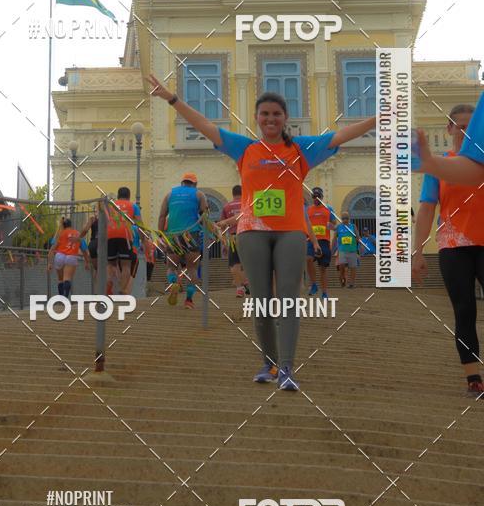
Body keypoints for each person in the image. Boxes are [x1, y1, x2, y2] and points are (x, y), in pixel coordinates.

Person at [149, 73, 375, 389]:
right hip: (252, 232)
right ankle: (268, 364)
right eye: (265, 114)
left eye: (276, 114)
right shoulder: (245, 148)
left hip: (290, 233)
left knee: (288, 299)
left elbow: (340, 136)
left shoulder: (301, 149)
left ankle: (286, 368)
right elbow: (205, 126)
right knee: (263, 300)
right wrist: (172, 99)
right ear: (257, 118)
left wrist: (378, 118)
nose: (270, 119)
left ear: (285, 119)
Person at [412, 104, 484, 397]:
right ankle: (473, 377)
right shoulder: (439, 166)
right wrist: (418, 253)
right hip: (453, 246)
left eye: (471, 125)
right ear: (450, 129)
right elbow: (427, 208)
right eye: (460, 126)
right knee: (464, 310)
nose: (465, 131)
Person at [158, 172, 207, 309]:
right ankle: (189, 300)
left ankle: (174, 282)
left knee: (171, 267)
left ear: (182, 183)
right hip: (192, 234)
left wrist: (161, 235)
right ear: (195, 184)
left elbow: (162, 216)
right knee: (192, 269)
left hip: (173, 235)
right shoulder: (199, 194)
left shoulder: (169, 195)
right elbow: (205, 216)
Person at [412, 92, 484, 186]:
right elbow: (476, 171)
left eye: (471, 128)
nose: (467, 133)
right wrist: (430, 163)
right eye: (461, 127)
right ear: (449, 129)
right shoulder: (436, 167)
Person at [106, 187, 141, 296]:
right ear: (129, 196)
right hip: (125, 235)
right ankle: (122, 290)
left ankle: (108, 286)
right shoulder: (133, 206)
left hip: (110, 234)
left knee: (111, 264)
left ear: (118, 195)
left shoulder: (111, 205)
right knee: (126, 265)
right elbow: (139, 224)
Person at [217, 184, 249, 297]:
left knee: (234, 263)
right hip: (247, 235)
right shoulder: (247, 204)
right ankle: (247, 283)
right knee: (247, 263)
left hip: (233, 237)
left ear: (233, 194)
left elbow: (222, 226)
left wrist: (224, 243)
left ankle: (240, 288)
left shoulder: (226, 207)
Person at [306, 187, 336, 299]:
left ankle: (324, 293)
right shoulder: (308, 210)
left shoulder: (329, 209)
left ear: (322, 197)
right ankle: (314, 284)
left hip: (324, 241)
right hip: (311, 240)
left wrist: (331, 226)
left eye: (318, 196)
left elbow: (333, 223)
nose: (316, 198)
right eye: (314, 196)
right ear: (312, 197)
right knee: (308, 259)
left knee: (323, 268)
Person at [47, 217, 83, 299]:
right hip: (71, 255)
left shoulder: (60, 233)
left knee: (60, 279)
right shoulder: (78, 234)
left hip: (59, 255)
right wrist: (87, 260)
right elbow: (84, 248)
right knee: (67, 278)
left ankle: (61, 298)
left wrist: (49, 263)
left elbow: (52, 249)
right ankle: (66, 297)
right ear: (71, 224)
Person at [332, 211, 360, 288]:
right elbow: (334, 239)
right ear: (341, 219)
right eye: (343, 218)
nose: (345, 220)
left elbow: (358, 237)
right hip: (342, 251)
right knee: (342, 267)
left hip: (352, 250)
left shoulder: (353, 226)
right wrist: (331, 249)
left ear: (349, 219)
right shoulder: (339, 227)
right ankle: (342, 279)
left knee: (353, 268)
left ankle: (351, 284)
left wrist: (360, 249)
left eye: (346, 218)